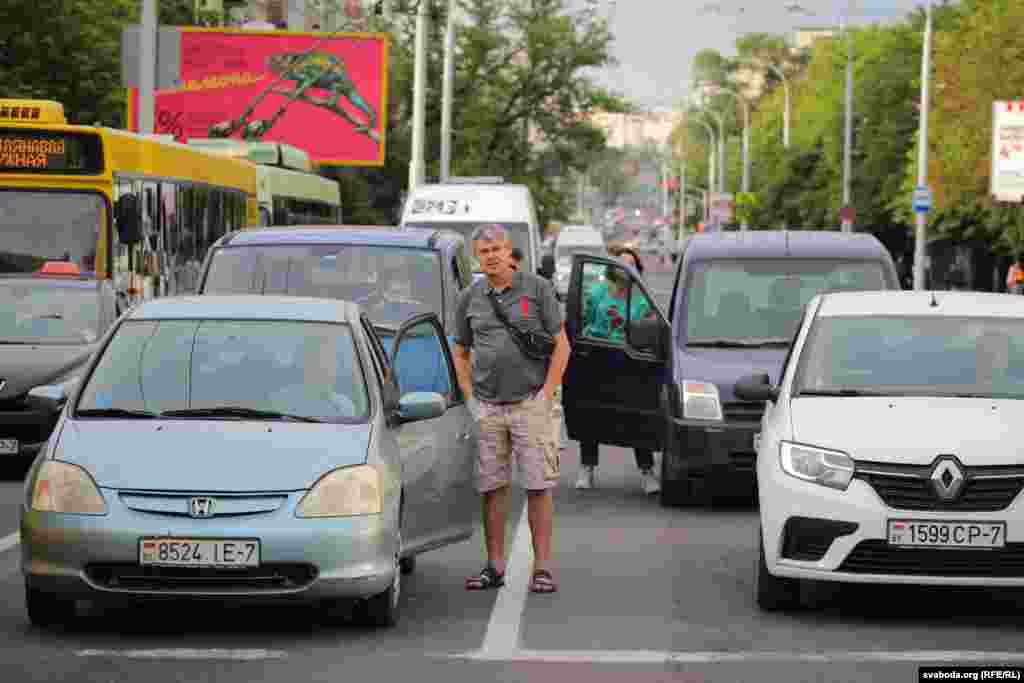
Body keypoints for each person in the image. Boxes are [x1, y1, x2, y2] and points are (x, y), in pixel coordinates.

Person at [453, 223, 570, 595]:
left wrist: (547, 393)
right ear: (477, 257)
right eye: (484, 252)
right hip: (488, 407)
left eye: (497, 250)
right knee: (493, 488)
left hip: (529, 403)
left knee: (538, 486)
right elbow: (460, 351)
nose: (491, 257)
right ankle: (495, 565)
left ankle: (543, 568)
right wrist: (470, 396)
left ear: (510, 252)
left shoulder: (537, 289)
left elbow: (561, 345)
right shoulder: (470, 296)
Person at [576, 246, 661, 494]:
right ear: (612, 267)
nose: (625, 268)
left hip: (630, 361)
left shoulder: (642, 298)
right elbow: (586, 322)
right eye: (621, 263)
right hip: (597, 356)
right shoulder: (597, 292)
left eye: (631, 263)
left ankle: (647, 472)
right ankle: (586, 467)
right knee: (591, 415)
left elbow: (648, 328)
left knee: (637, 416)